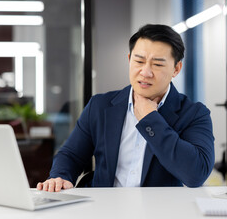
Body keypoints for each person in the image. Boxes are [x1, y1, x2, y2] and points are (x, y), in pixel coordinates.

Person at [37, 24, 215, 192]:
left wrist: (150, 120)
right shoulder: (100, 106)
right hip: (103, 209)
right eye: (139, 61)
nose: (145, 72)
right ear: (129, 60)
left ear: (176, 69)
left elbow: (196, 174)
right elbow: (71, 155)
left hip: (159, 211)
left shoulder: (194, 114)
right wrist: (60, 177)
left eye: (157, 64)